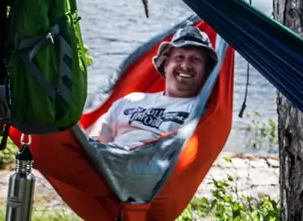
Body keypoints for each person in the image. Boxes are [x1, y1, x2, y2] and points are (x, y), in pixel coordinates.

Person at [89, 25, 218, 149]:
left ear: (206, 71)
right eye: (179, 57)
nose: (185, 65)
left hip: (153, 164)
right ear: (166, 64)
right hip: (108, 159)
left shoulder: (201, 112)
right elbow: (98, 136)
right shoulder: (131, 100)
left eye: (195, 60)